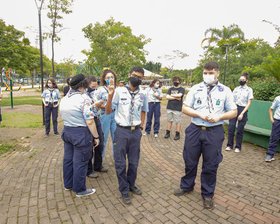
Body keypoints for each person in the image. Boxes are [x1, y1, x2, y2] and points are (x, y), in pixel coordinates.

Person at [174, 62, 237, 209]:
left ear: (218, 73)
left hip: (214, 131)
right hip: (195, 129)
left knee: (211, 164)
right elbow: (185, 108)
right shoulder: (196, 88)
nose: (208, 75)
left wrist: (220, 117)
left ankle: (208, 193)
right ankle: (187, 185)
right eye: (205, 73)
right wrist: (198, 113)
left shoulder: (225, 90)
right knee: (189, 160)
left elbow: (233, 111)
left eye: (211, 73)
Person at [105, 66, 148, 204]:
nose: (137, 79)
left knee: (134, 162)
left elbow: (144, 110)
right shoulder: (119, 91)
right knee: (120, 163)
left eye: (140, 77)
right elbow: (107, 111)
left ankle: (131, 184)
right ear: (129, 75)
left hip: (135, 132)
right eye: (135, 75)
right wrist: (110, 95)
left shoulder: (143, 94)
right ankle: (124, 189)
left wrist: (141, 125)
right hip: (121, 131)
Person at [60, 74, 99, 197]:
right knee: (80, 162)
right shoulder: (84, 99)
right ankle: (80, 189)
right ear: (83, 84)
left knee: (68, 159)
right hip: (80, 134)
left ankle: (68, 184)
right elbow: (90, 121)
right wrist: (96, 137)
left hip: (67, 131)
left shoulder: (65, 98)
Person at [86, 76, 108, 177]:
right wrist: (95, 104)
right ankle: (89, 170)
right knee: (90, 144)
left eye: (95, 86)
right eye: (92, 86)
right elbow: (86, 109)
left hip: (97, 118)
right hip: (89, 120)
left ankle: (98, 165)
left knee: (101, 142)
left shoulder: (95, 93)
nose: (94, 88)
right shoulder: (84, 95)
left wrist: (100, 104)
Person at [226, 72, 253, 153]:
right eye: (240, 79)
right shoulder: (236, 89)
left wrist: (242, 113)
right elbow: (232, 100)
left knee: (240, 130)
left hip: (243, 109)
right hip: (235, 108)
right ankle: (229, 145)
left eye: (243, 80)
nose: (241, 81)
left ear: (246, 80)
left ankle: (238, 147)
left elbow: (249, 103)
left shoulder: (249, 90)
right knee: (231, 127)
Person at [95, 68, 117, 159]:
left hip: (116, 115)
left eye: (112, 77)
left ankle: (117, 159)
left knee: (116, 139)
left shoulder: (118, 89)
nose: (110, 79)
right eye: (108, 77)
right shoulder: (100, 90)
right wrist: (104, 106)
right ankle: (99, 161)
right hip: (105, 115)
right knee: (103, 138)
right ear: (104, 79)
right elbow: (95, 102)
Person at [265, 95, 280, 162]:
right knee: (274, 138)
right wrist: (271, 119)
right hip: (277, 121)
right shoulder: (278, 98)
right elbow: (271, 109)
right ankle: (270, 155)